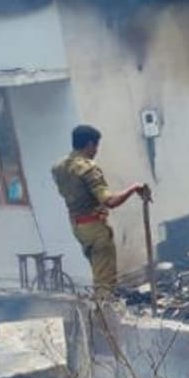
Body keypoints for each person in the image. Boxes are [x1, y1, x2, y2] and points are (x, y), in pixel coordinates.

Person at [52, 125, 147, 300]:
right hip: (95, 227)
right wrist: (134, 188)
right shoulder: (87, 168)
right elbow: (110, 201)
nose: (96, 151)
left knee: (98, 273)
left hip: (78, 226)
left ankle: (101, 313)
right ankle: (105, 320)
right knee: (105, 282)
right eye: (95, 146)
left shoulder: (59, 167)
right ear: (89, 144)